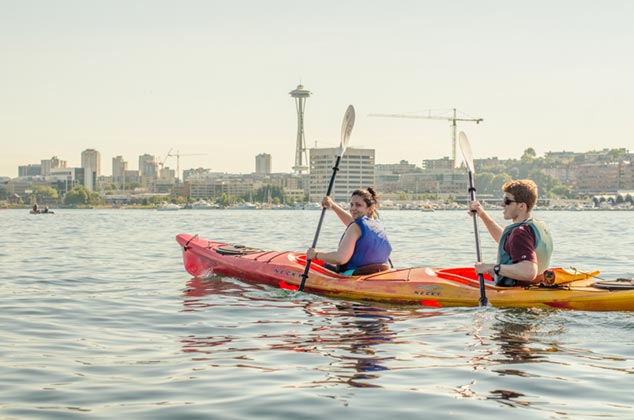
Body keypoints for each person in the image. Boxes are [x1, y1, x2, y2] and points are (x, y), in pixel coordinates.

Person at [469, 179, 553, 286]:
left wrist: (492, 267)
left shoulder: (520, 233)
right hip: (536, 285)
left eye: (507, 201)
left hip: (516, 290)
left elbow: (529, 272)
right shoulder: (535, 226)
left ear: (521, 206)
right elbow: (507, 241)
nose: (502, 204)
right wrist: (482, 214)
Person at [306, 188, 392, 276]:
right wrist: (333, 206)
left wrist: (315, 255)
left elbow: (340, 258)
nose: (353, 208)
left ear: (370, 208)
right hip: (379, 273)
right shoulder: (377, 225)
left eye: (358, 205)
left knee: (323, 266)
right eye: (351, 204)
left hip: (355, 275)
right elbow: (352, 222)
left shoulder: (355, 227)